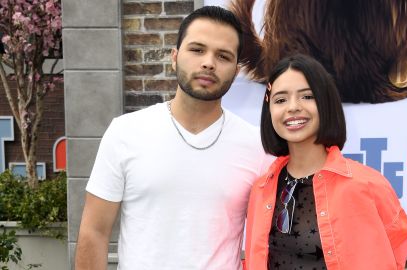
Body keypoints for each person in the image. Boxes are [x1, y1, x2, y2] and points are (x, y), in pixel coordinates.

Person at [75, 6, 273, 270]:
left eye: (223, 56)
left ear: (236, 71)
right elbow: (94, 232)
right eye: (197, 49)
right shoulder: (125, 132)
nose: (208, 62)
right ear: (174, 57)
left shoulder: (258, 147)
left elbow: (271, 241)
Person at [244, 54, 407, 270]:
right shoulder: (261, 189)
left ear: (326, 103)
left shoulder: (368, 185)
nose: (293, 107)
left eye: (307, 96)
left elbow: (397, 244)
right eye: (280, 100)